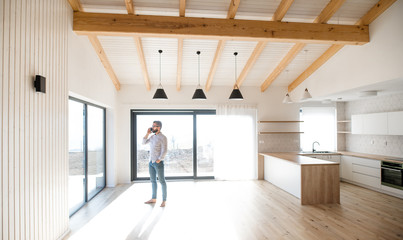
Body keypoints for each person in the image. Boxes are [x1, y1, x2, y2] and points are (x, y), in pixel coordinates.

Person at [143, 120, 168, 207]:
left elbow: (164, 150)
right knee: (153, 181)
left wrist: (159, 159)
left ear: (159, 127)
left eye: (154, 126)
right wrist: (147, 133)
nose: (152, 127)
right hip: (151, 162)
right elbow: (143, 142)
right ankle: (153, 198)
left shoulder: (163, 137)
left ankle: (164, 200)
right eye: (152, 126)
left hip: (158, 163)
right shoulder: (152, 137)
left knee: (162, 181)